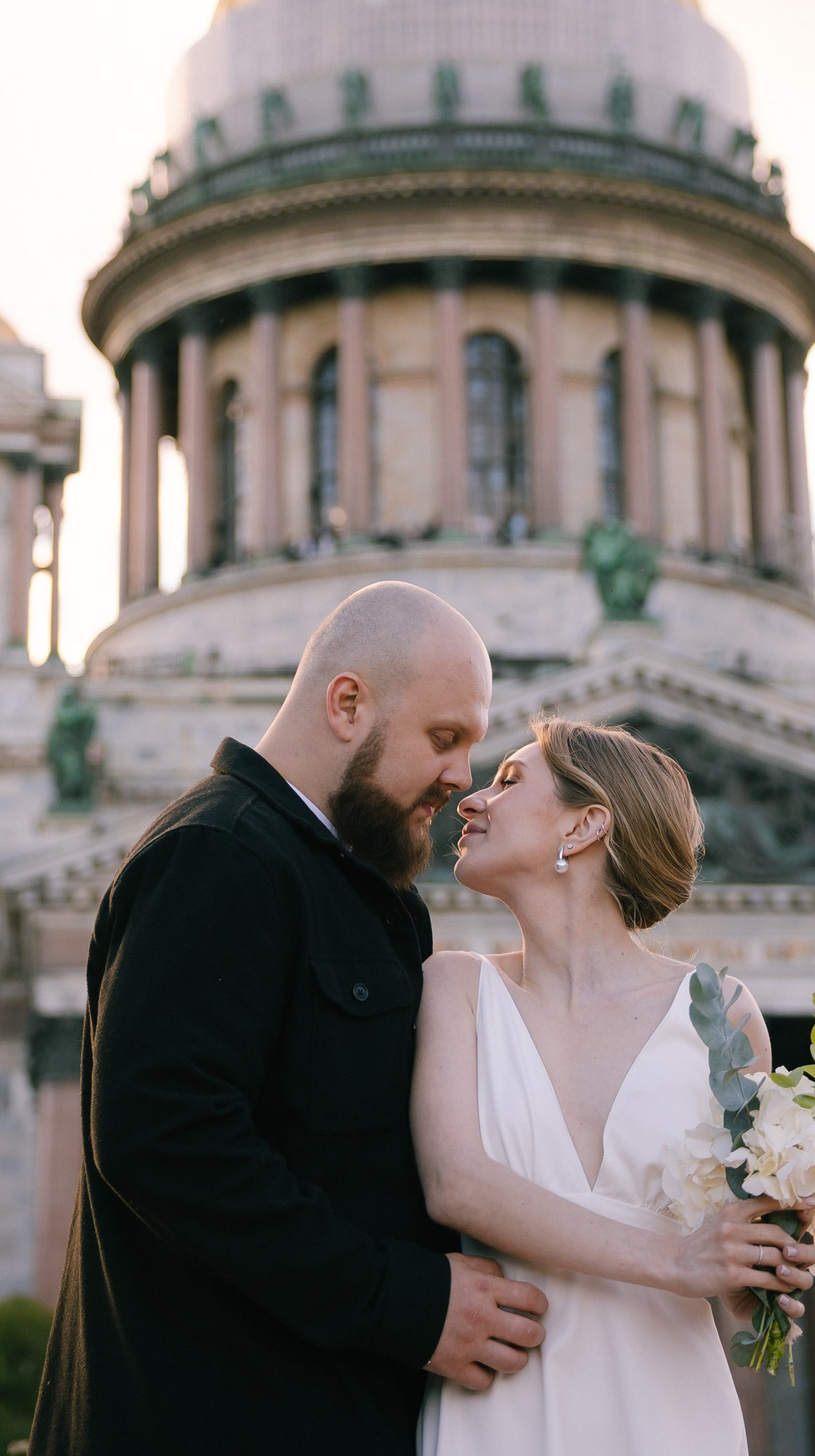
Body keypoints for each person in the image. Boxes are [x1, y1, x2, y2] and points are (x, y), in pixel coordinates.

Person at [31, 582, 553, 1455]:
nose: (463, 776)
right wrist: (407, 1301)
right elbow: (163, 1138)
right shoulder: (217, 854)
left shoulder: (368, 886)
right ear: (348, 703)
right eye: (444, 737)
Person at [414, 718, 815, 1456]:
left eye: (507, 780)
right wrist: (676, 1259)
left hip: (668, 1407)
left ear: (586, 822)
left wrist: (760, 1270)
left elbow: (733, 1266)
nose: (470, 801)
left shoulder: (722, 1014)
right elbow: (456, 1185)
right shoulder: (455, 986)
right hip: (502, 1402)